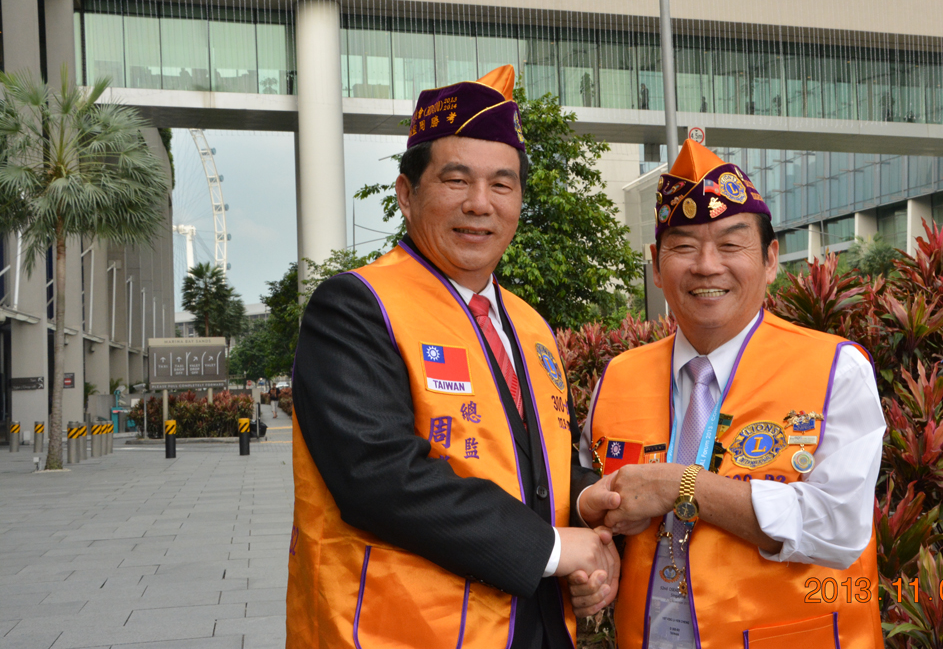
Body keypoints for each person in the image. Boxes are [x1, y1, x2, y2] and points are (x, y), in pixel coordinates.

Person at [287, 66, 622, 649]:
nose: (479, 204)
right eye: (456, 180)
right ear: (406, 193)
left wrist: (587, 504)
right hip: (399, 634)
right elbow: (379, 475)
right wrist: (551, 548)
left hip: (534, 629)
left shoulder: (532, 326)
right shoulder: (357, 306)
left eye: (502, 184)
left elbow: (530, 463)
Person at [574, 140, 887, 648]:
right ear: (656, 265)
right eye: (683, 246)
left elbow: (839, 527)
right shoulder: (618, 376)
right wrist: (592, 532)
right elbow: (588, 491)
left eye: (730, 244)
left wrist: (683, 485)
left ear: (770, 259)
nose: (706, 265)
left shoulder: (835, 368)